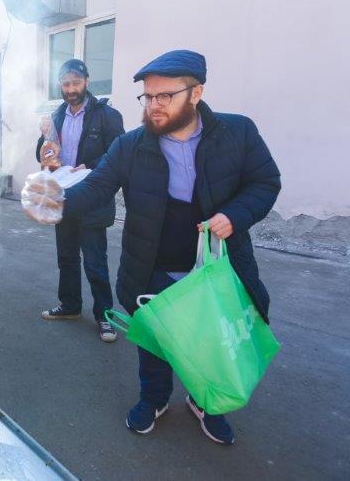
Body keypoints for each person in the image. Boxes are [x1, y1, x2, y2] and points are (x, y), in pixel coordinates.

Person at [32, 50, 281, 444]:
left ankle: (206, 402)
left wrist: (234, 215)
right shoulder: (132, 145)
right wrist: (55, 204)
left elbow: (266, 182)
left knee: (209, 340)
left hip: (214, 266)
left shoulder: (237, 132)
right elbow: (97, 186)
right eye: (148, 97)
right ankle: (154, 398)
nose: (154, 106)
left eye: (165, 96)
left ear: (196, 92)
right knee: (155, 338)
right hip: (151, 263)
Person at [36, 59, 124, 342]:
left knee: (95, 261)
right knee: (67, 257)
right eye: (65, 84)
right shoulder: (57, 116)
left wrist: (88, 166)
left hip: (93, 196)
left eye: (75, 83)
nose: (70, 89)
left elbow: (118, 154)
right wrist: (43, 140)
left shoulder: (107, 116)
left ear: (87, 81)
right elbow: (46, 155)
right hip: (64, 196)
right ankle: (70, 305)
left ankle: (105, 316)